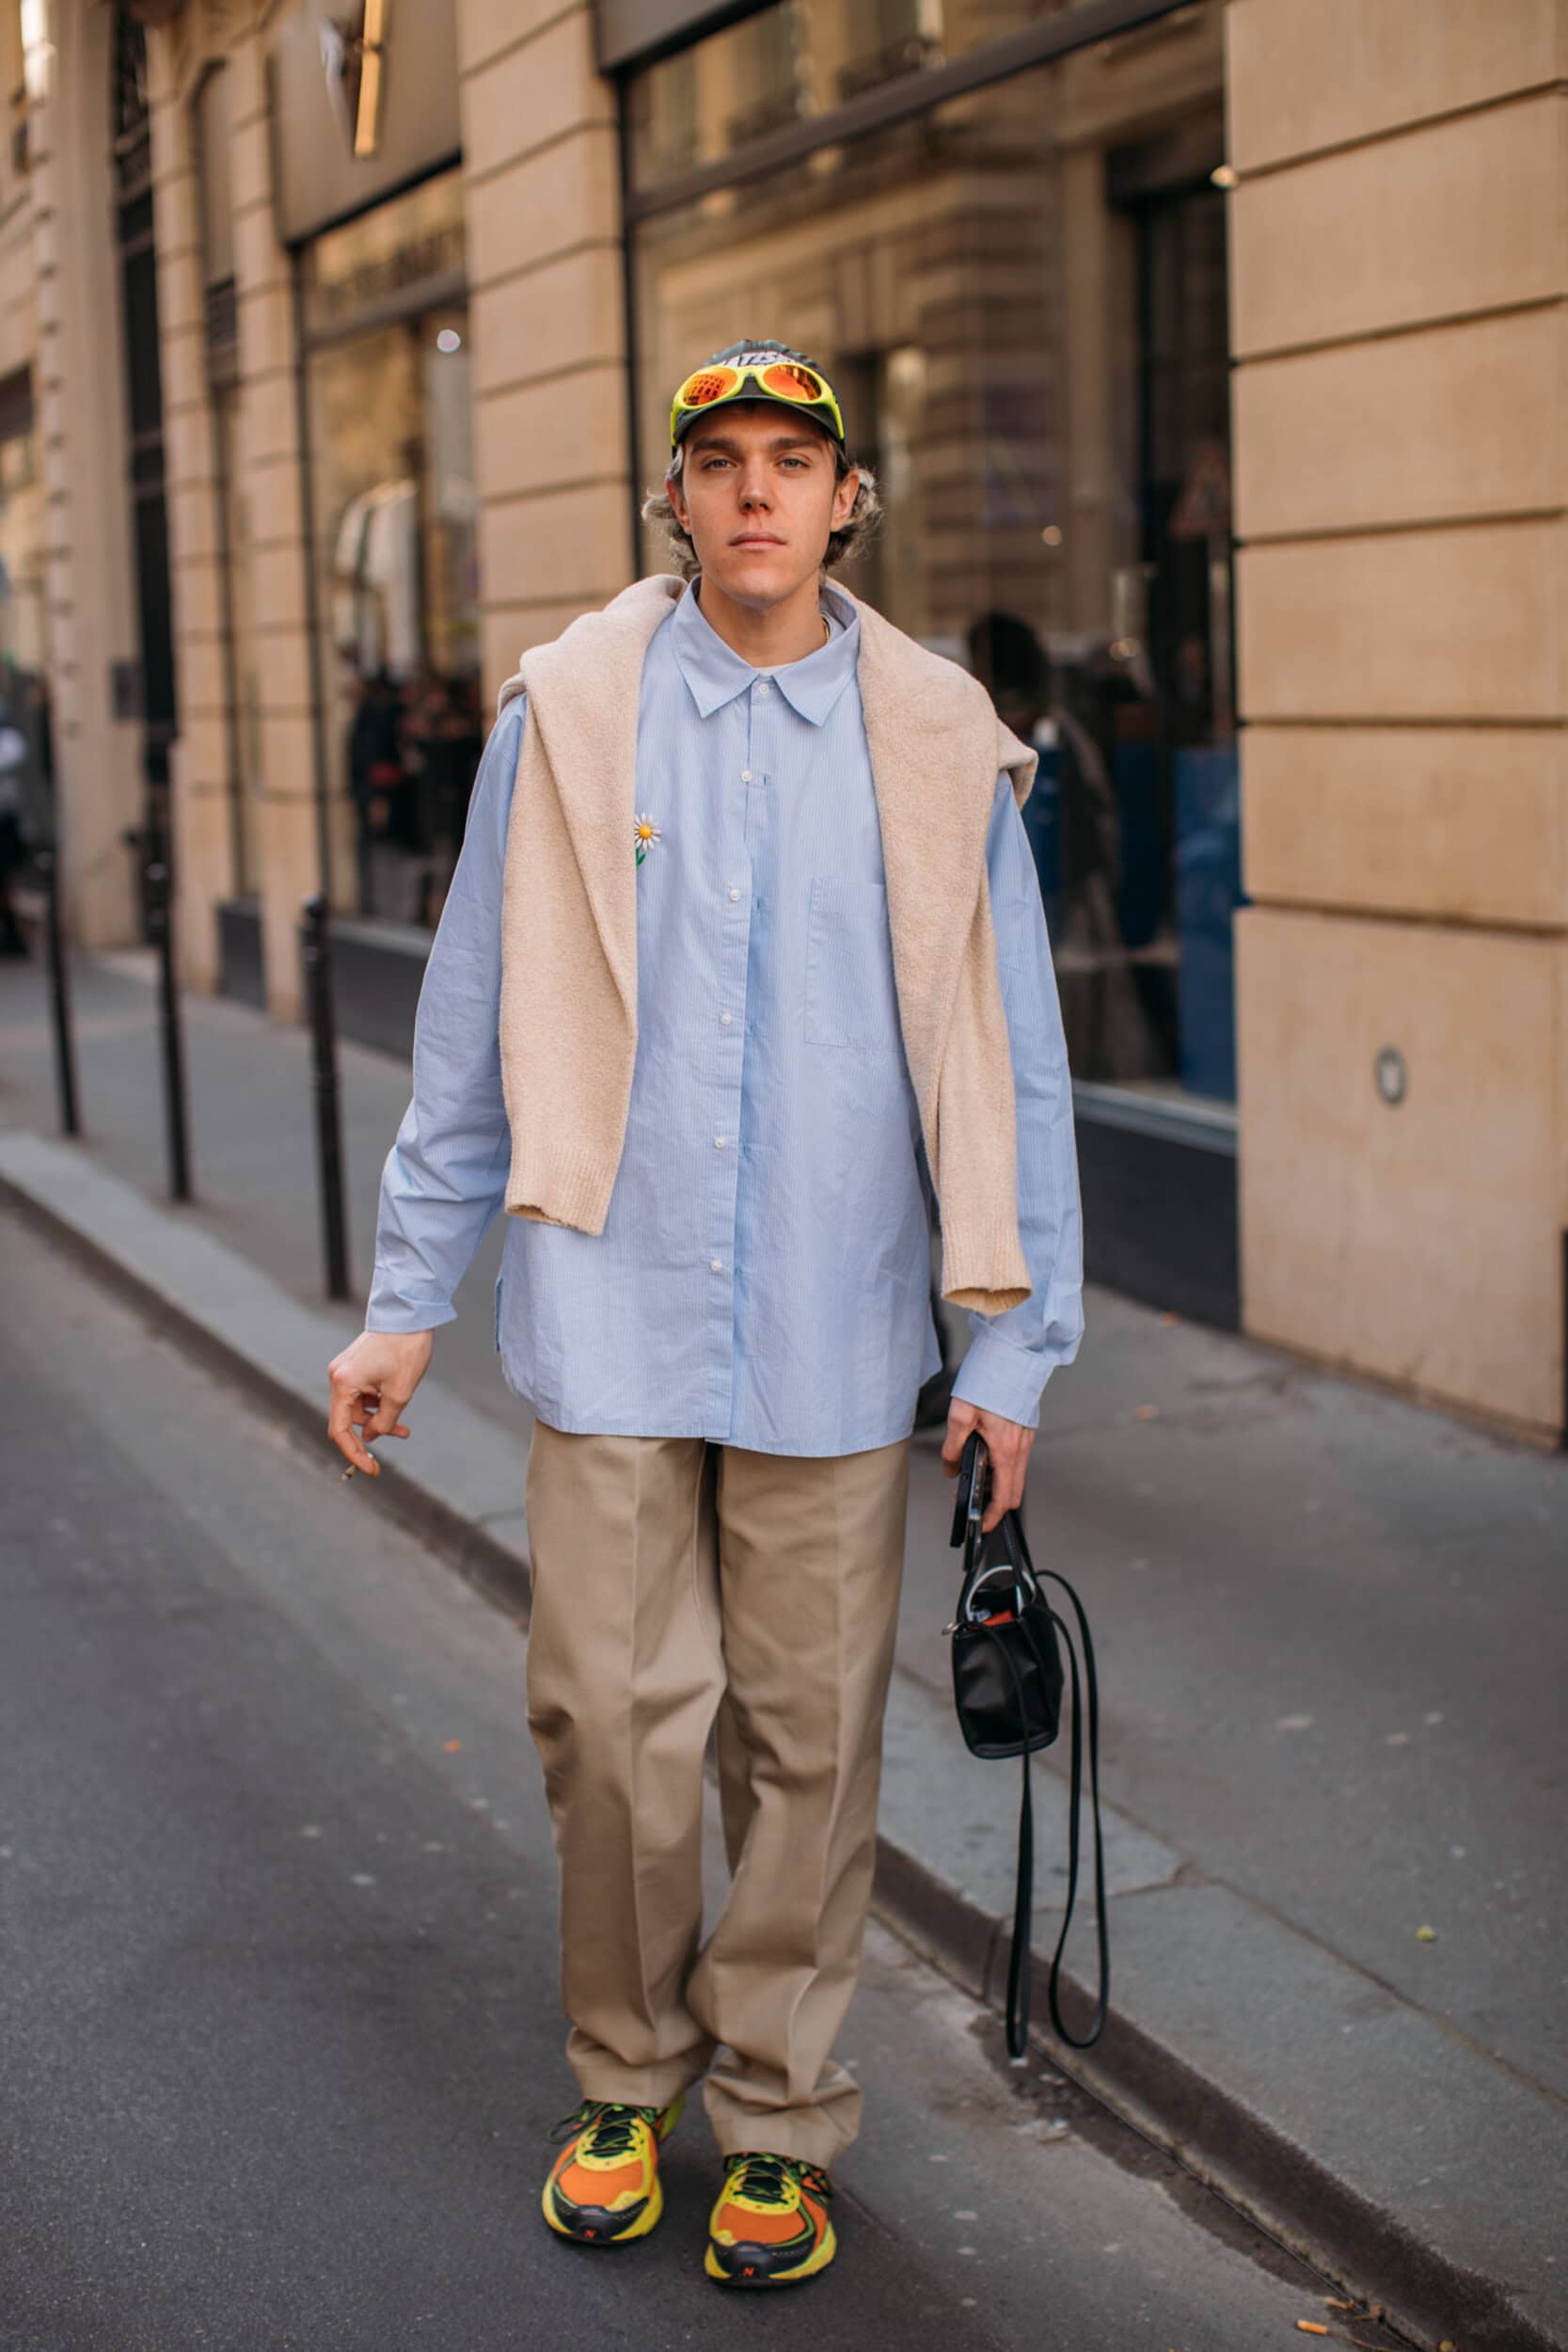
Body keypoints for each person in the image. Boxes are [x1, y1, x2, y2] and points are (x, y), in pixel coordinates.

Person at [325, 341, 1083, 2290]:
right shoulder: (568, 716)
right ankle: (623, 2066)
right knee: (609, 1721)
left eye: (794, 463)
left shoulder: (938, 736)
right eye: (720, 462)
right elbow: (472, 1027)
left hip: (842, 1335)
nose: (757, 493)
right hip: (614, 1312)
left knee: (809, 1744)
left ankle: (775, 2106)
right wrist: (407, 1300)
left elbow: (1020, 1058)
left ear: (848, 502)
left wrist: (1013, 1347)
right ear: (673, 500)